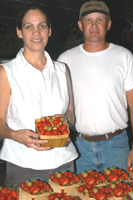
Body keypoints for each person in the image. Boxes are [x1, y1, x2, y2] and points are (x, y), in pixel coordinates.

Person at [58, 0, 133, 173]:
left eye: (100, 19)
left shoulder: (124, 56)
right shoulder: (64, 60)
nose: (94, 25)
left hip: (117, 146)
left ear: (109, 24)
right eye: (88, 20)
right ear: (80, 25)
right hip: (79, 148)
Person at [0, 4, 78, 186]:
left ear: (49, 31)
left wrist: (66, 119)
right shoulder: (6, 72)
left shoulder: (62, 70)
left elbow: (71, 112)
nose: (36, 32)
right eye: (29, 26)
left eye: (42, 26)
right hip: (23, 165)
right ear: (19, 32)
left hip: (64, 162)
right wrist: (14, 134)